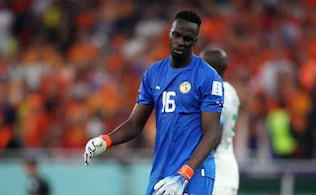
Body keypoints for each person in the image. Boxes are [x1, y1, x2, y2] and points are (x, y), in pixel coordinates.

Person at [84, 10, 224, 195]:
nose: (181, 41)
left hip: (195, 171)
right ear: (169, 34)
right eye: (177, 35)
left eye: (187, 38)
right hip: (162, 169)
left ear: (195, 41)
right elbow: (135, 123)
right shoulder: (154, 73)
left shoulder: (208, 77)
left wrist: (185, 174)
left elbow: (212, 134)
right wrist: (106, 140)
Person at [200, 48, 240, 195]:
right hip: (227, 170)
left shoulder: (216, 92)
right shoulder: (230, 90)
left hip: (216, 173)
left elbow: (215, 135)